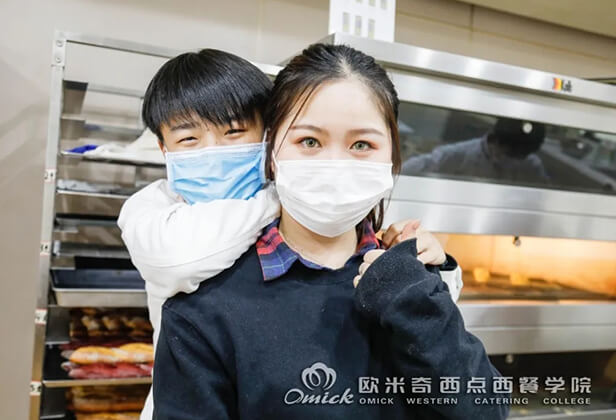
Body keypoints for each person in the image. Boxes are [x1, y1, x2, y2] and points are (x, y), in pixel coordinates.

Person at [153, 44, 508, 419]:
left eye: (361, 144)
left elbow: (487, 412)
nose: (335, 164)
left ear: (391, 155)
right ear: (271, 151)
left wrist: (418, 303)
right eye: (309, 141)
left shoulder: (413, 280)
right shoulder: (205, 307)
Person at [403, 118, 549, 184]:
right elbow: (408, 170)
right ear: (494, 141)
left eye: (521, 157)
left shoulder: (532, 164)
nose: (514, 162)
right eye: (509, 155)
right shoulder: (457, 155)